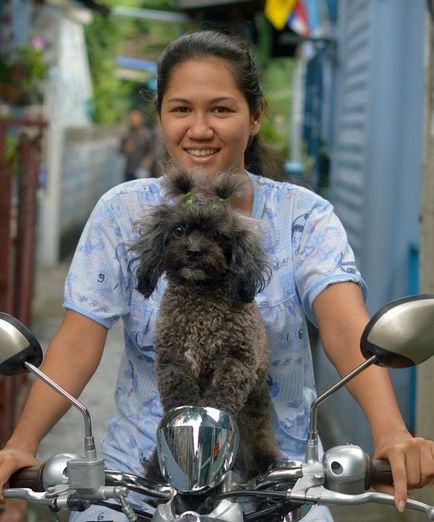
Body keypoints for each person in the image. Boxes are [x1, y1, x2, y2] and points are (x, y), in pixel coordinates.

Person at [0, 30, 433, 521]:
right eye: (181, 109)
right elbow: (79, 338)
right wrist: (22, 444)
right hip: (136, 486)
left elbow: (343, 326)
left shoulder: (303, 217)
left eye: (221, 110)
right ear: (160, 114)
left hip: (278, 485)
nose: (200, 129)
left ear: (255, 117)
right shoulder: (121, 210)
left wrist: (391, 431)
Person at [119, 109, 155, 181]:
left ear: (141, 120)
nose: (134, 121)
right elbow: (120, 150)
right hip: (130, 170)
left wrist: (148, 161)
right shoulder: (126, 135)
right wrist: (125, 149)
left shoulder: (146, 135)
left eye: (136, 119)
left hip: (143, 170)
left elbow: (153, 151)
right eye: (132, 119)